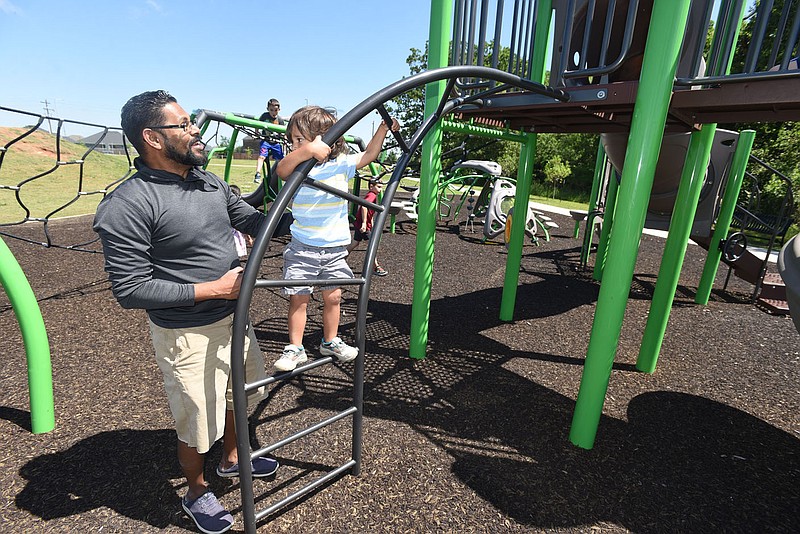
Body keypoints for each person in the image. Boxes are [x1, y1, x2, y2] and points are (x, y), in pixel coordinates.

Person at [93, 90, 277, 534]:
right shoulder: (128, 204)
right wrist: (215, 288)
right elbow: (130, 289)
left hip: (236, 318)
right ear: (152, 138)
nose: (196, 130)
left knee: (240, 392)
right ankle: (196, 491)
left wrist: (301, 195)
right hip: (187, 332)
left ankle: (234, 458)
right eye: (184, 124)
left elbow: (254, 221)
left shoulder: (208, 182)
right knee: (197, 419)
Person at [272, 105, 399, 372]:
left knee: (334, 298)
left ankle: (329, 340)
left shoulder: (341, 164)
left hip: (334, 249)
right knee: (299, 297)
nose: (294, 145)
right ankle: (295, 347)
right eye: (293, 141)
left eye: (300, 139)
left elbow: (369, 155)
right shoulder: (299, 166)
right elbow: (281, 171)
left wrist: (383, 129)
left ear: (326, 137)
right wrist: (305, 151)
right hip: (303, 247)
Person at [347, 177, 388, 276]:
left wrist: (371, 224)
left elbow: (370, 211)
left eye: (381, 187)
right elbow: (364, 206)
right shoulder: (372, 195)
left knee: (355, 243)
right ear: (371, 186)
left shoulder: (371, 195)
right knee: (372, 245)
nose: (380, 189)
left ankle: (339, 259)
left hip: (359, 224)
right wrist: (365, 223)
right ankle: (375, 267)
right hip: (362, 225)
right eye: (378, 187)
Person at [253, 98, 286, 184]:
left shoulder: (280, 120)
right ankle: (257, 173)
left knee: (280, 160)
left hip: (276, 143)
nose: (274, 112)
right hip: (266, 141)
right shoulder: (264, 116)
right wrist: (257, 134)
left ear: (279, 110)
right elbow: (257, 124)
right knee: (262, 156)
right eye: (271, 110)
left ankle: (284, 175)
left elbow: (283, 132)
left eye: (276, 110)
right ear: (268, 109)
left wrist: (283, 137)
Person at [229, 185, 253, 257]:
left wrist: (248, 237)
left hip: (233, 237)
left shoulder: (236, 211)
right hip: (232, 237)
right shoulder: (236, 210)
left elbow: (243, 225)